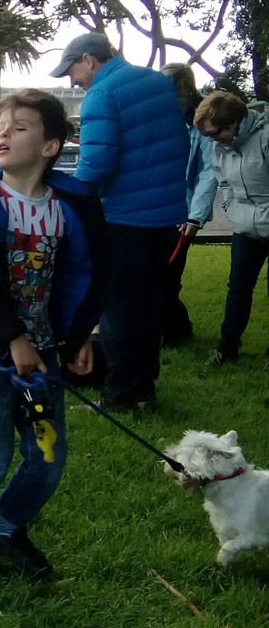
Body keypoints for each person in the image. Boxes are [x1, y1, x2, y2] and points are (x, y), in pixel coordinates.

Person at [0, 89, 108, 579]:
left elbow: (84, 274)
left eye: (20, 127)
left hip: (43, 356)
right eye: (0, 126)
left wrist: (80, 334)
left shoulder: (70, 205)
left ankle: (4, 527)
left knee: (46, 455)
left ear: (50, 146)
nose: (3, 133)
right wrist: (12, 337)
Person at [50, 32, 188, 412]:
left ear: (89, 59)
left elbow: (96, 165)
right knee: (149, 306)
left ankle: (119, 395)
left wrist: (65, 195)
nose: (72, 80)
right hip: (164, 218)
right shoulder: (158, 82)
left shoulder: (101, 93)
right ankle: (143, 390)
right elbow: (181, 143)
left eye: (72, 70)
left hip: (124, 218)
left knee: (117, 309)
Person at [194, 91, 269, 370]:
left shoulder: (265, 138)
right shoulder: (219, 147)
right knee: (237, 287)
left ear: (235, 122)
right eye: (207, 135)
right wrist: (231, 208)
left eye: (215, 133)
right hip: (245, 227)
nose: (212, 140)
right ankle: (226, 348)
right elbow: (223, 182)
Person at [160, 62, 218, 345]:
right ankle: (173, 329)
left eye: (179, 96)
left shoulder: (201, 125)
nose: (173, 102)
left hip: (182, 215)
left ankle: (174, 331)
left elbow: (209, 173)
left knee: (170, 276)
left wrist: (195, 217)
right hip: (152, 210)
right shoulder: (155, 118)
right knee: (154, 275)